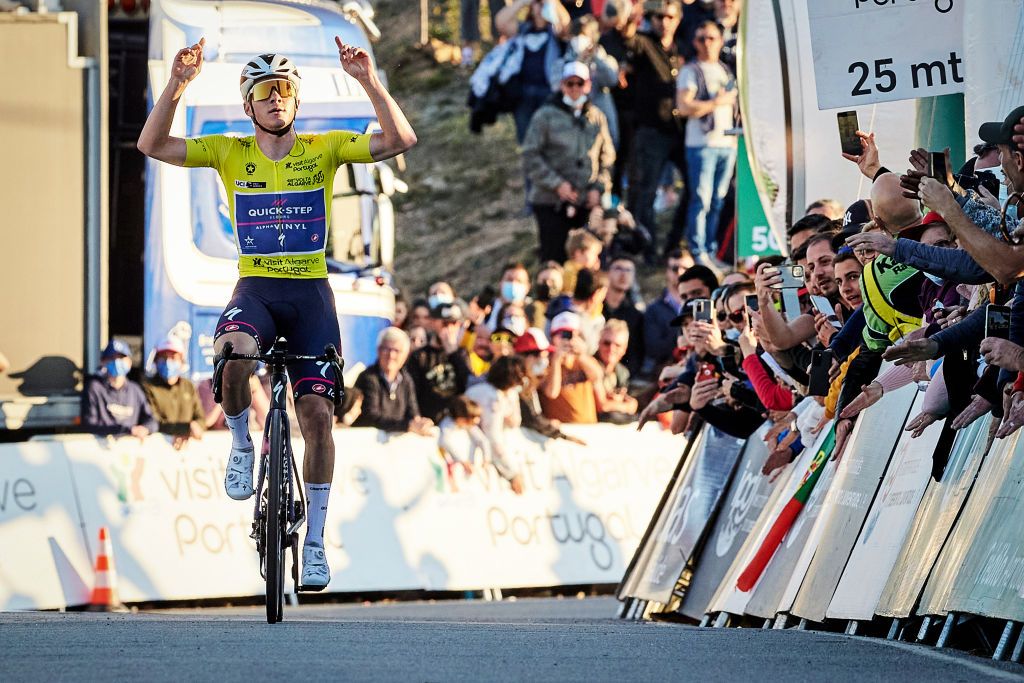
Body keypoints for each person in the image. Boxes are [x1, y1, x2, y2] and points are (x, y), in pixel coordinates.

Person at [136, 39, 417, 587]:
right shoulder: (228, 151)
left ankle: (314, 543)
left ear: (295, 100)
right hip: (257, 292)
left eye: (284, 90)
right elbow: (152, 144)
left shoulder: (326, 146)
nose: (276, 99)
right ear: (248, 106)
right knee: (232, 356)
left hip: (311, 295)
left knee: (316, 418)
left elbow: (401, 139)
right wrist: (178, 84)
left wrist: (367, 81)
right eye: (264, 92)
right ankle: (242, 444)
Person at [522, 62, 615, 263]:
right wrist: (556, 184)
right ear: (562, 85)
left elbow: (607, 157)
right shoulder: (545, 116)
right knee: (554, 258)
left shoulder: (596, 116)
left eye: (579, 83)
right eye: (569, 83)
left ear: (588, 85)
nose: (574, 88)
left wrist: (598, 188)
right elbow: (530, 155)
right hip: (551, 201)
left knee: (587, 259)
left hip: (586, 201)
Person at [625, 0, 686, 261]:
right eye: (659, 17)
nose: (664, 22)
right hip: (651, 132)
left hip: (680, 131)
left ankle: (674, 244)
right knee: (646, 191)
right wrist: (635, 14)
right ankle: (647, 248)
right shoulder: (643, 42)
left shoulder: (681, 48)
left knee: (694, 189)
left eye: (669, 17)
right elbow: (628, 36)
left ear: (677, 19)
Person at [675, 20, 737, 265]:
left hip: (726, 143)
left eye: (711, 38)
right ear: (694, 42)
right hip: (701, 144)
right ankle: (698, 249)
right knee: (701, 198)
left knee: (718, 199)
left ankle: (711, 249)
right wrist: (716, 102)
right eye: (701, 38)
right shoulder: (691, 71)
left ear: (720, 40)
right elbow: (684, 106)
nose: (707, 43)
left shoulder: (725, 70)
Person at [495, 0, 571, 144]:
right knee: (526, 140)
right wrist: (522, 2)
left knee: (550, 140)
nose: (539, 5)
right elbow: (501, 23)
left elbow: (566, 25)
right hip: (523, 94)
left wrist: (551, 3)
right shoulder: (523, 29)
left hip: (548, 93)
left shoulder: (554, 31)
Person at [465, 356, 530, 494]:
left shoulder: (508, 394)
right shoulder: (490, 397)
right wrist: (512, 474)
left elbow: (514, 421)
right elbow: (493, 438)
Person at [353, 328, 435, 436]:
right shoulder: (368, 378)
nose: (391, 355)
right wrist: (407, 425)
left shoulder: (406, 380)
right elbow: (370, 417)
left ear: (405, 355)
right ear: (378, 350)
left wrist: (420, 423)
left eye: (397, 350)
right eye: (387, 349)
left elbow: (413, 413)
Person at [642, 253, 709, 375]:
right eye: (675, 268)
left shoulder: (705, 305)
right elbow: (654, 349)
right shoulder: (654, 309)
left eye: (686, 269)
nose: (680, 273)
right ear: (667, 272)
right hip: (665, 370)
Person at [407, 302, 472, 424]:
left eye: (454, 324)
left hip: (455, 422)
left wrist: (453, 353)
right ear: (433, 323)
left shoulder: (462, 354)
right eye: (445, 323)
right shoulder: (420, 356)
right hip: (429, 421)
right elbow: (412, 392)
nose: (450, 328)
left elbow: (468, 383)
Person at [81, 339, 158, 439]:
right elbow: (89, 425)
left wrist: (145, 429)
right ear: (103, 362)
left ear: (130, 362)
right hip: (102, 449)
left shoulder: (135, 390)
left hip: (130, 450)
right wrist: (125, 430)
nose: (117, 362)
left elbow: (152, 421)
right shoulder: (94, 387)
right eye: (112, 358)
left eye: (121, 357)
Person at [142, 337, 206, 450]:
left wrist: (196, 427)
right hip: (157, 450)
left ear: (181, 360)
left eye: (173, 358)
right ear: (156, 361)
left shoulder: (188, 386)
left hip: (187, 454)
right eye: (163, 358)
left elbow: (200, 418)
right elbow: (154, 422)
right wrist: (184, 429)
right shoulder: (148, 387)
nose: (168, 362)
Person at [540, 311, 603, 423]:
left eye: (571, 334)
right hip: (562, 432)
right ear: (552, 337)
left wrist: (582, 356)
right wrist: (556, 361)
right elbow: (552, 393)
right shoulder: (545, 363)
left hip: (589, 428)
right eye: (561, 334)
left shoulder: (583, 360)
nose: (567, 340)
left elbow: (598, 377)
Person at [602, 255, 645, 372]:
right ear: (607, 273)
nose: (623, 274)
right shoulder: (595, 306)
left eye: (628, 270)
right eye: (618, 269)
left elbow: (635, 354)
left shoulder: (636, 315)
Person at [594, 319, 638, 422]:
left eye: (617, 345)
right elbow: (603, 406)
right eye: (607, 343)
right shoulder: (590, 366)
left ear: (624, 349)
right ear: (599, 343)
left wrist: (619, 403)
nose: (611, 349)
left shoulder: (622, 373)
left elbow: (632, 403)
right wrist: (625, 406)